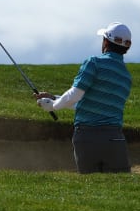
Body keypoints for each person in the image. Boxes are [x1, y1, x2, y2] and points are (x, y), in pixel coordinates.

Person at [36, 22, 133, 174]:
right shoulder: (126, 77)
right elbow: (89, 103)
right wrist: (54, 98)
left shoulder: (94, 63)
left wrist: (53, 106)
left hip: (88, 138)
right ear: (127, 47)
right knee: (120, 190)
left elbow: (75, 95)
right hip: (115, 139)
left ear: (106, 41)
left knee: (92, 186)